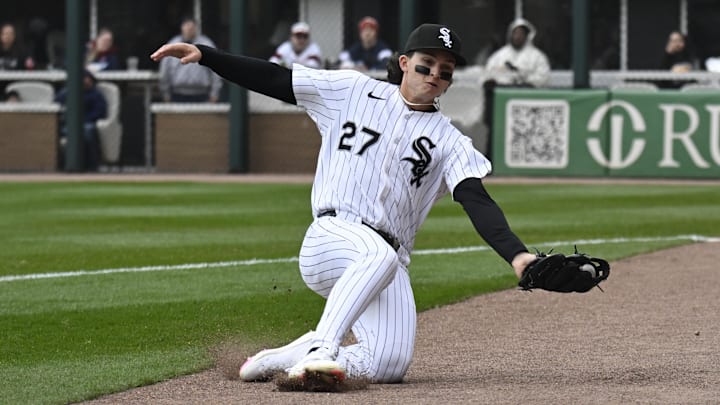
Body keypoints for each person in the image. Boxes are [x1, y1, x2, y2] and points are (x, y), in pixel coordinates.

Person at [151, 23, 536, 387]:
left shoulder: (450, 141)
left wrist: (519, 258)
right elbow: (276, 79)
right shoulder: (350, 91)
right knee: (378, 256)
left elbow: (476, 200)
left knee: (388, 364)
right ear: (404, 63)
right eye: (427, 63)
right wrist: (206, 55)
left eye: (446, 70)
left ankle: (296, 354)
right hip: (331, 238)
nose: (435, 73)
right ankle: (321, 349)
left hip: (387, 263)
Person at [482, 19, 550, 159]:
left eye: (521, 34)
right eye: (515, 33)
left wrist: (526, 83)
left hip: (524, 99)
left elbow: (543, 77)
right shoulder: (500, 55)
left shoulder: (536, 56)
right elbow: (486, 74)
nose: (517, 36)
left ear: (527, 36)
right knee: (496, 130)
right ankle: (493, 160)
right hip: (498, 99)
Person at [158, 17, 222, 102]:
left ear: (196, 28)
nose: (189, 29)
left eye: (192, 27)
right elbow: (165, 70)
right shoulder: (173, 44)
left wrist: (214, 94)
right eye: (187, 26)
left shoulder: (207, 44)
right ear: (182, 27)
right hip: (177, 95)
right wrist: (166, 94)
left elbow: (215, 69)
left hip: (202, 95)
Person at [54, 69, 107, 171]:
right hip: (69, 124)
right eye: (83, 79)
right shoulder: (68, 93)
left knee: (87, 132)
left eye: (88, 79)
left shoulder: (96, 95)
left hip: (88, 123)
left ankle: (92, 165)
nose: (86, 81)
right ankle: (61, 164)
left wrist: (81, 120)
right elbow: (57, 103)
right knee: (58, 131)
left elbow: (100, 112)